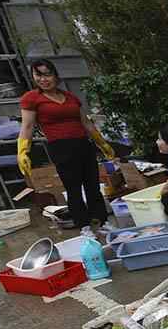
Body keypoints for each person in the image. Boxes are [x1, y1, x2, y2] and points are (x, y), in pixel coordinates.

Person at [17, 59, 114, 228]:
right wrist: (23, 151)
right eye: (38, 75)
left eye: (47, 74)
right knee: (73, 188)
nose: (43, 79)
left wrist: (102, 143)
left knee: (93, 185)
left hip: (83, 145)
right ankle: (83, 226)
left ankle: (102, 221)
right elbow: (27, 126)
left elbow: (86, 122)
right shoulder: (31, 98)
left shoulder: (70, 97)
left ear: (55, 75)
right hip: (61, 148)